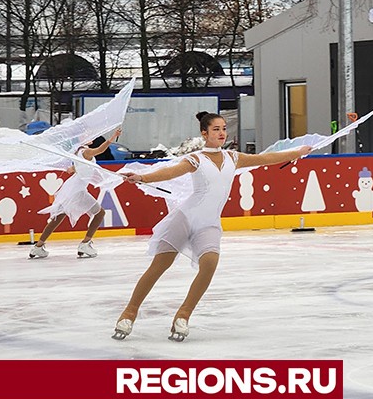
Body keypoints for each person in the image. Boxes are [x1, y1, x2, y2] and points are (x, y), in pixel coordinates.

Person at [114, 111, 312, 341]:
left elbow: (265, 159)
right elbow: (169, 172)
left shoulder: (233, 158)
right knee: (160, 265)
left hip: (208, 224)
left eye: (224, 128)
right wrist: (142, 178)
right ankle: (129, 312)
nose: (221, 133)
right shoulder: (195, 159)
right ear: (204, 133)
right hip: (185, 218)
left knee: (209, 264)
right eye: (216, 129)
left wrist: (297, 152)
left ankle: (183, 315)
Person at [29, 127, 122, 259]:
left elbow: (75, 168)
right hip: (77, 190)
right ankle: (85, 243)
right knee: (99, 213)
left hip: (70, 188)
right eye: (86, 135)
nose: (90, 136)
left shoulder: (78, 152)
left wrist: (73, 168)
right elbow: (100, 150)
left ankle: (38, 247)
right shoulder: (85, 152)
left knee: (58, 217)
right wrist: (113, 138)